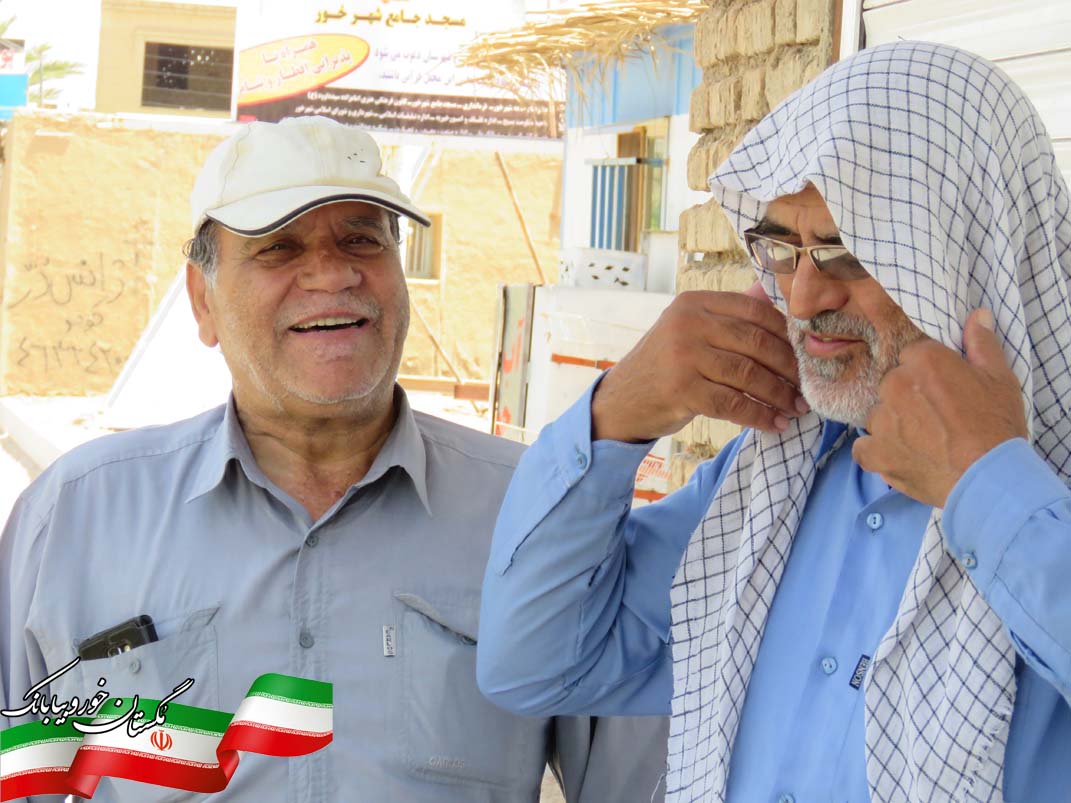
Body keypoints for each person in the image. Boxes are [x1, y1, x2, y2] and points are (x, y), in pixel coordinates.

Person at [0, 115, 669, 802]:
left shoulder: (535, 512)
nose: (333, 273)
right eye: (278, 248)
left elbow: (639, 786)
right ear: (203, 301)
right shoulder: (75, 516)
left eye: (362, 239)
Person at [477, 41, 1071, 803]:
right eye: (782, 248)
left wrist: (987, 488)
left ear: (963, 253)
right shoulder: (772, 483)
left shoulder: (1044, 488)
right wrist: (617, 412)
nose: (802, 298)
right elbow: (534, 663)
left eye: (846, 250)